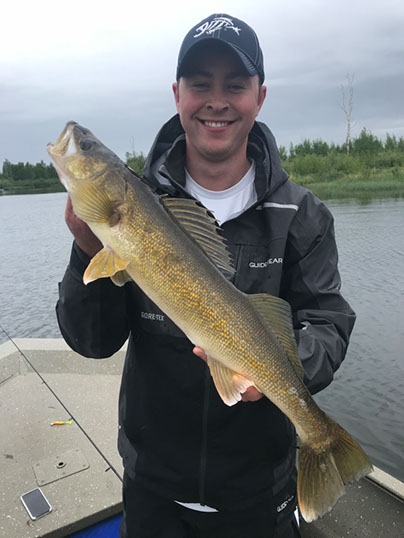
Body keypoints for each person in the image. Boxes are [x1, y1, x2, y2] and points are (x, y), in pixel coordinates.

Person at [56, 13, 356, 538]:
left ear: (259, 97)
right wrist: (87, 249)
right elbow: (93, 343)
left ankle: (324, 441)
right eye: (200, 84)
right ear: (177, 94)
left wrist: (281, 373)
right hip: (153, 492)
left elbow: (326, 323)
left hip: (260, 496)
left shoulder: (302, 217)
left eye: (235, 85)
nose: (216, 100)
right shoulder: (136, 210)